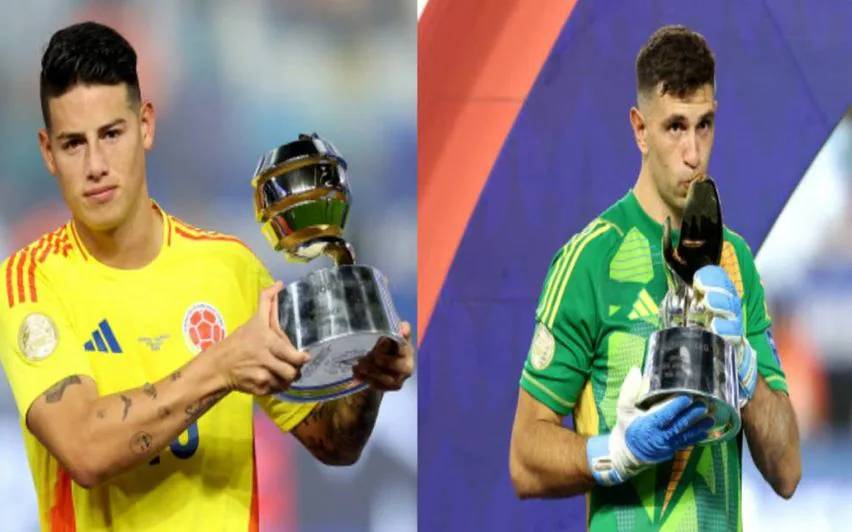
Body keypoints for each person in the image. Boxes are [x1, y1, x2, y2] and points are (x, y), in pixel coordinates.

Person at [0, 21, 414, 531]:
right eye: (72, 144)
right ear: (46, 152)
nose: (96, 165)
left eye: (111, 134)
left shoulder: (229, 268)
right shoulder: (29, 280)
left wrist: (367, 375)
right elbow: (84, 449)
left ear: (146, 125)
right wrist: (221, 366)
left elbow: (332, 443)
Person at [509, 25, 800, 530]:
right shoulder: (587, 262)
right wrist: (618, 452)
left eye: (704, 125)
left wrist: (746, 371)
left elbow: (788, 471)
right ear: (640, 130)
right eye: (675, 127)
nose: (694, 153)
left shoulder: (736, 261)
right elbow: (524, 460)